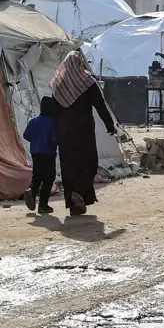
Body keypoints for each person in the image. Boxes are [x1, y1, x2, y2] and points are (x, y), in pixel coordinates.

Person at [49, 50, 118, 216]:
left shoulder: (59, 83)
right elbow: (100, 105)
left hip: (64, 133)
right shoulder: (87, 82)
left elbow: (53, 111)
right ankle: (78, 193)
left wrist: (53, 132)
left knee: (69, 166)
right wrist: (110, 125)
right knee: (89, 162)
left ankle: (73, 200)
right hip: (84, 131)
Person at [22, 97, 60, 215]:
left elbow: (26, 135)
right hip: (48, 153)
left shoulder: (34, 120)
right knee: (49, 179)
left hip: (36, 153)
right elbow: (55, 139)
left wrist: (36, 140)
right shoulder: (52, 122)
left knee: (37, 177)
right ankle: (43, 204)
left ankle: (32, 194)